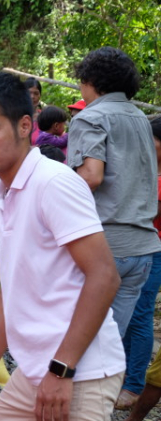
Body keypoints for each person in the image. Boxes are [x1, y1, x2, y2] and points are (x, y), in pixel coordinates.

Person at [0, 71, 125, 421]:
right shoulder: (4, 191)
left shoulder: (53, 184)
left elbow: (104, 277)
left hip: (79, 373)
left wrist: (61, 370)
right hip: (34, 373)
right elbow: (11, 291)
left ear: (25, 125)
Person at [68, 46, 161, 339]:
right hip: (142, 248)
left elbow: (91, 177)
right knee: (110, 342)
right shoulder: (139, 119)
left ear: (91, 80)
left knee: (75, 342)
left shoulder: (89, 117)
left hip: (102, 246)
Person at [118, 118, 161, 411]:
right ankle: (122, 376)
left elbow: (146, 209)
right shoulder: (149, 169)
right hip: (138, 247)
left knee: (140, 315)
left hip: (154, 250)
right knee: (128, 313)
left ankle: (133, 384)